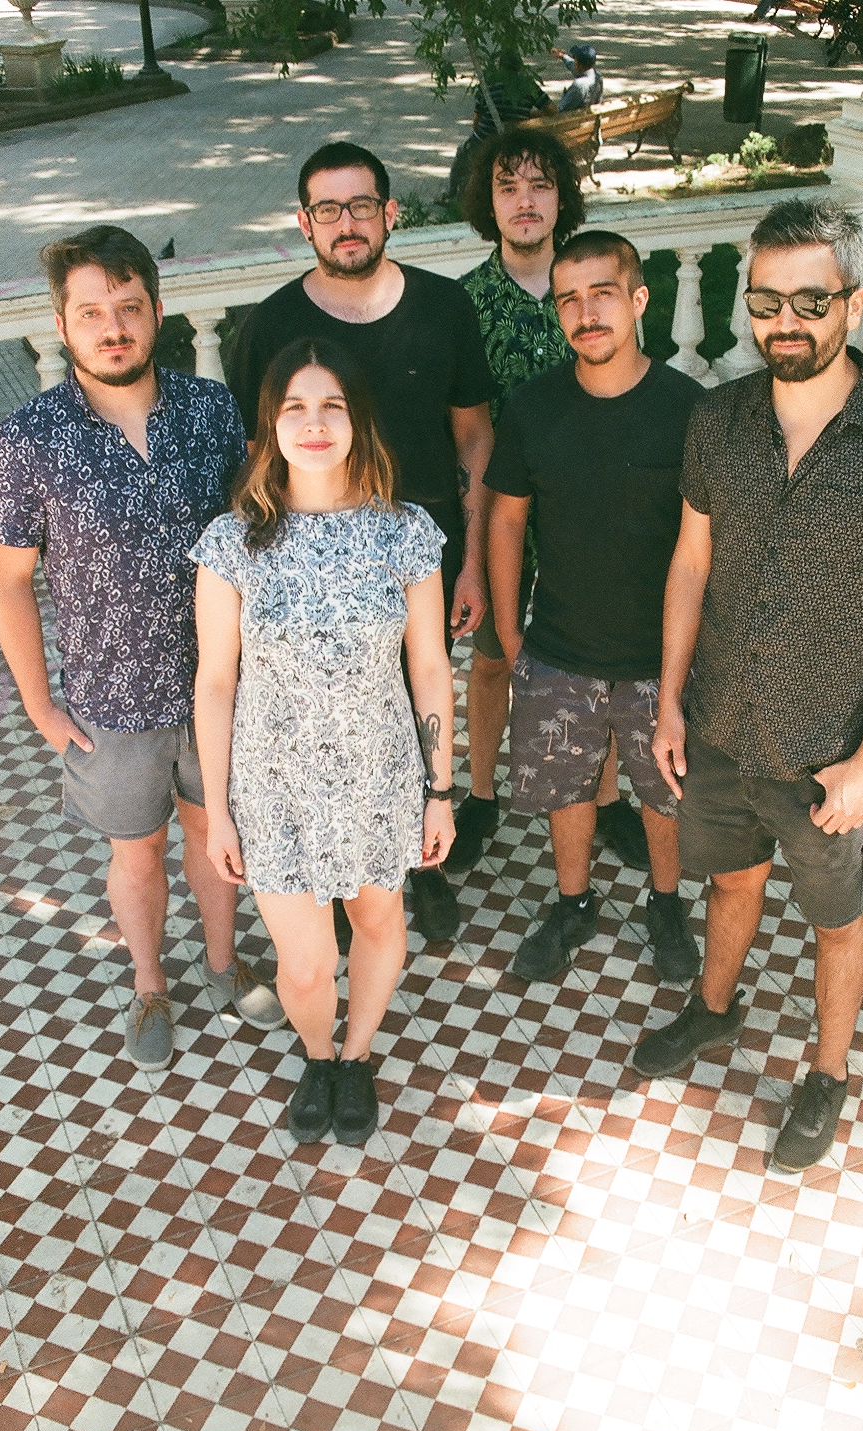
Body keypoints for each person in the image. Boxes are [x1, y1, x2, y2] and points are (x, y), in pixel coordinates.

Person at [641, 198, 863, 1172]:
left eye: (809, 302)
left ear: (853, 305)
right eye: (766, 301)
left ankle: (826, 1073)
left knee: (836, 917)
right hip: (722, 722)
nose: (785, 322)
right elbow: (690, 563)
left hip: (830, 749)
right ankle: (714, 1007)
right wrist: (669, 700)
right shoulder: (716, 420)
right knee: (731, 878)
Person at [0, 225, 286, 1073]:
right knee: (138, 850)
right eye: (91, 312)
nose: (112, 327)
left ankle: (222, 963)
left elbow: (256, 529)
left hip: (220, 685)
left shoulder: (211, 410)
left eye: (127, 307)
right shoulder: (29, 440)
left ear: (157, 311)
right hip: (111, 701)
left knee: (214, 832)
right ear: (61, 325)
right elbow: (9, 582)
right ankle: (150, 983)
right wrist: (40, 705)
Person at [229, 142, 495, 945]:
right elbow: (258, 453)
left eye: (362, 205)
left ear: (390, 213)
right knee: (325, 722)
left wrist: (472, 560)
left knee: (418, 699)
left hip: (421, 556)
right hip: (310, 561)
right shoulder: (272, 325)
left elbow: (474, 438)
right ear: (304, 223)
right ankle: (334, 878)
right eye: (328, 209)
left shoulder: (444, 307)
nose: (347, 223)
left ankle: (421, 862)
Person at [192, 338, 455, 1145]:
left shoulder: (404, 533)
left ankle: (356, 1056)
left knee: (377, 923)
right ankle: (316, 1052)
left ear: (357, 421)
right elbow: (215, 683)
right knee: (304, 965)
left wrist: (440, 791)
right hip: (274, 789)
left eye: (331, 406)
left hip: (379, 777)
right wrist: (219, 813)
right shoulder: (233, 542)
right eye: (294, 408)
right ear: (270, 427)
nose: (313, 424)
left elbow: (430, 667)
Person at [485, 230, 703, 983]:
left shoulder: (688, 409)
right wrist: (510, 631)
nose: (585, 314)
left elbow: (708, 543)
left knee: (664, 795)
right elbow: (506, 519)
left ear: (638, 300)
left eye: (602, 294)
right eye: (568, 300)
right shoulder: (534, 407)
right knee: (566, 787)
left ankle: (666, 904)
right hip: (561, 646)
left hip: (659, 658)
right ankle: (573, 902)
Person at [453, 128, 651, 877]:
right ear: (489, 203)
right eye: (508, 187)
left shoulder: (593, 289)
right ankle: (480, 793)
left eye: (539, 184)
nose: (525, 201)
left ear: (562, 196)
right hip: (500, 516)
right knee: (493, 657)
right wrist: (472, 552)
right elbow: (466, 433)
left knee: (598, 662)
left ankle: (605, 797)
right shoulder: (465, 302)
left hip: (585, 516)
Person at [448, 50, 552, 200]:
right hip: (513, 140)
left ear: (500, 66)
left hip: (485, 138)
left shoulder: (489, 83)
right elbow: (551, 109)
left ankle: (451, 194)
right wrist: (526, 114)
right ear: (520, 67)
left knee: (462, 154)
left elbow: (477, 118)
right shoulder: (528, 85)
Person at [552, 43, 604, 113]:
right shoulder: (597, 76)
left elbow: (561, 110)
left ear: (579, 64)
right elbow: (572, 65)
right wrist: (562, 56)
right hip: (591, 117)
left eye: (575, 60)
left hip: (574, 119)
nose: (574, 62)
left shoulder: (579, 86)